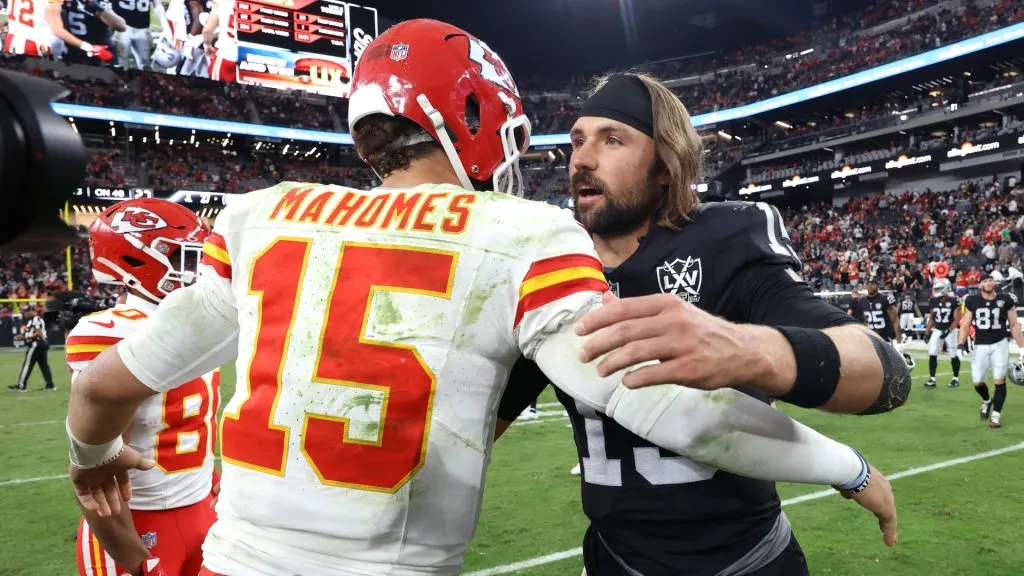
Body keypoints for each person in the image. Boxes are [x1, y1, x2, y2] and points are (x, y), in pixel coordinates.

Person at [65, 21, 896, 576]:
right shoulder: (519, 234)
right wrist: (844, 466)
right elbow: (677, 415)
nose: (571, 160)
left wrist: (90, 460)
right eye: (569, 141)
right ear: (469, 115)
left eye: (610, 139)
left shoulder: (261, 215)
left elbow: (102, 386)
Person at [497, 72, 909, 576]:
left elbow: (885, 373)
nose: (581, 158)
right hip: (613, 561)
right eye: (578, 140)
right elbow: (473, 424)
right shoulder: (552, 266)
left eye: (612, 139)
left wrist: (746, 350)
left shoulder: (725, 238)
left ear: (665, 166)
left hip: (746, 563)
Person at [66, 199, 220, 576]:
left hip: (201, 507)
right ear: (135, 260)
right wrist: (136, 559)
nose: (197, 269)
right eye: (184, 258)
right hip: (136, 523)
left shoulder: (201, 321)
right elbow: (96, 469)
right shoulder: (114, 330)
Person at [959, 274, 1024, 428]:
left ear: (994, 283)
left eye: (990, 280)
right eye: (985, 281)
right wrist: (961, 344)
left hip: (1000, 344)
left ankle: (996, 416)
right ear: (980, 285)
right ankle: (987, 400)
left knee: (999, 380)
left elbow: (1014, 325)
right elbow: (965, 324)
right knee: (977, 382)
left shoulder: (1006, 300)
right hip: (980, 345)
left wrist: (1022, 347)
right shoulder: (972, 300)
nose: (988, 283)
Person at [925, 278, 961, 388]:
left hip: (951, 330)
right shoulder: (933, 301)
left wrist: (948, 330)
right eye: (936, 288)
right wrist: (927, 332)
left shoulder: (954, 300)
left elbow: (957, 320)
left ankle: (955, 378)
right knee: (932, 352)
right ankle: (932, 379)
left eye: (939, 288)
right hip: (938, 329)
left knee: (953, 353)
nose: (936, 290)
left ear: (946, 288)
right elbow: (932, 318)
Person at [8, 306, 55, 391]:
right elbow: (33, 332)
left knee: (27, 364)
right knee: (44, 365)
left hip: (36, 343)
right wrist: (23, 336)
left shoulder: (36, 319)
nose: (25, 313)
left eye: (27, 311)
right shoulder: (32, 320)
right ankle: (50, 385)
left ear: (33, 311)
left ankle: (21, 386)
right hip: (40, 343)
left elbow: (38, 333)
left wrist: (24, 337)